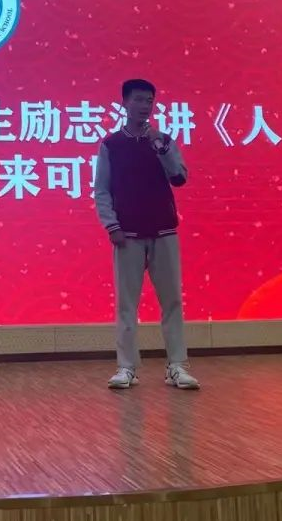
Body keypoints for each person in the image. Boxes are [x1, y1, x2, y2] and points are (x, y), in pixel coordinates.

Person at [94, 78, 199, 390]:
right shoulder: (111, 144)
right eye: (138, 100)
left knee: (172, 301)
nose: (145, 106)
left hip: (164, 231)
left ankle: (177, 366)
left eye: (149, 101)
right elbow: (102, 190)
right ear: (125, 103)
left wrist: (161, 148)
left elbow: (180, 177)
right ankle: (126, 367)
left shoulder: (163, 140)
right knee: (127, 304)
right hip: (127, 234)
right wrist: (111, 225)